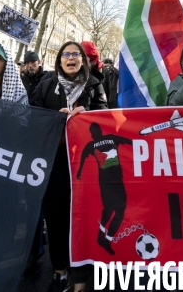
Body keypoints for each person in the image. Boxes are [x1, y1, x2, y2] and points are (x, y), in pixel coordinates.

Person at [33, 41, 107, 292]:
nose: (71, 58)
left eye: (76, 54)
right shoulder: (46, 84)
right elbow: (31, 117)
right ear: (59, 60)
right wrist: (54, 119)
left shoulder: (94, 85)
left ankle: (83, 272)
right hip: (55, 165)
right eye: (66, 54)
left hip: (86, 166)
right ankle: (60, 272)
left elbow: (106, 116)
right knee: (55, 217)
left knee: (86, 217)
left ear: (83, 60)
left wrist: (89, 116)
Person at [76, 122, 132, 255]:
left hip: (115, 180)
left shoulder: (95, 143)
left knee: (114, 209)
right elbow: (130, 141)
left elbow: (128, 141)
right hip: (108, 181)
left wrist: (79, 171)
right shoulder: (108, 139)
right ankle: (105, 239)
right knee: (116, 209)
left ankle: (103, 238)